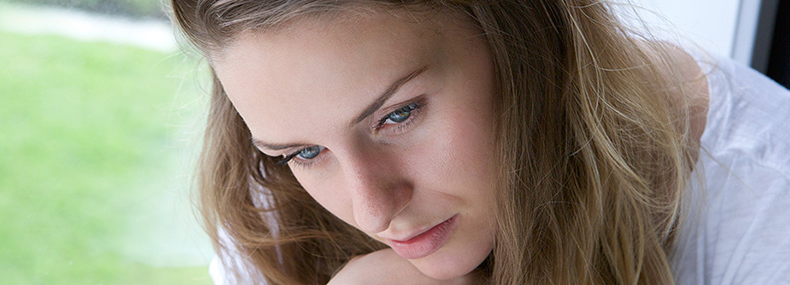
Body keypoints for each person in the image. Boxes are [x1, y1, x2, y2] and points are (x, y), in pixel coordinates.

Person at [169, 0, 790, 284]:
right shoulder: (276, 206)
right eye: (305, 152)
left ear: (524, 36)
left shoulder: (768, 208)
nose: (373, 210)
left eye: (398, 114)